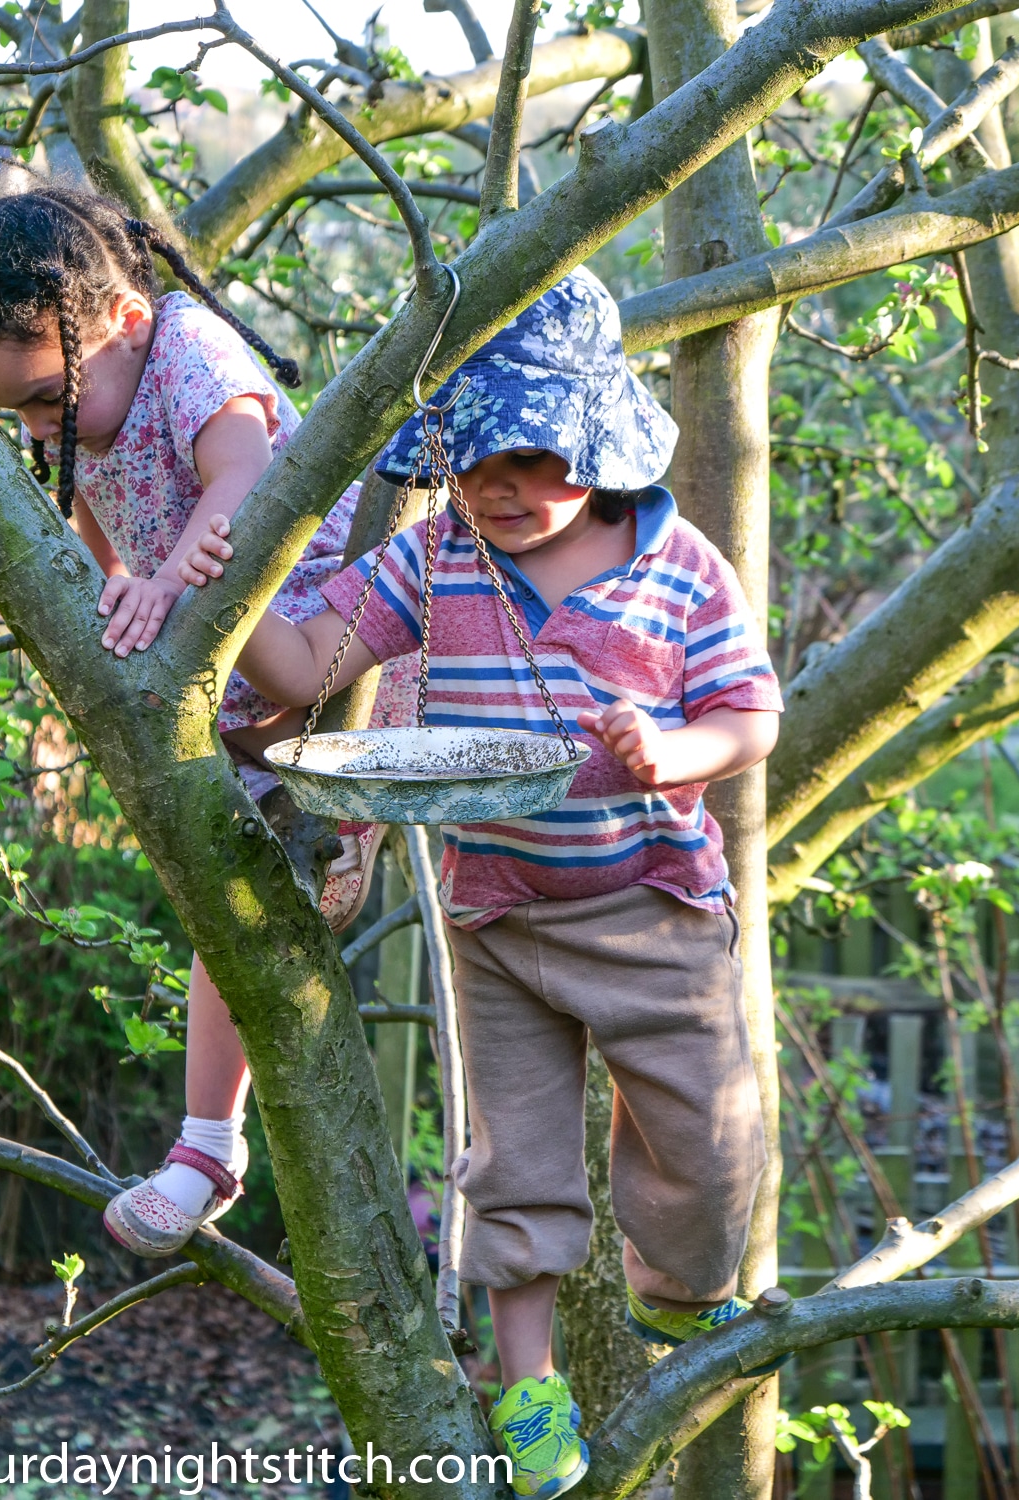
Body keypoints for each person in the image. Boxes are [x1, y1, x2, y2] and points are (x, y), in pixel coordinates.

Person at [179, 266, 783, 1497]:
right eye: (472, 460)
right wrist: (228, 583)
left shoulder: (681, 570)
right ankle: (528, 1388)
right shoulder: (439, 555)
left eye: (534, 457)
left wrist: (674, 751)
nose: (499, 488)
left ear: (599, 445)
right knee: (513, 1160)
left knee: (712, 1145)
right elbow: (305, 662)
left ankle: (682, 1300)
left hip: (653, 907)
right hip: (498, 915)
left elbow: (750, 712)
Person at [0, 185, 415, 1259]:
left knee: (306, 884)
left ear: (125, 325)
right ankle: (208, 1146)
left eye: (48, 399)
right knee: (226, 906)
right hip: (232, 697)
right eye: (19, 416)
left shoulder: (188, 347)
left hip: (327, 644)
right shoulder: (86, 404)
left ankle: (348, 853)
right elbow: (95, 512)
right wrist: (112, 585)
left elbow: (239, 471)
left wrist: (177, 572)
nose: (41, 430)